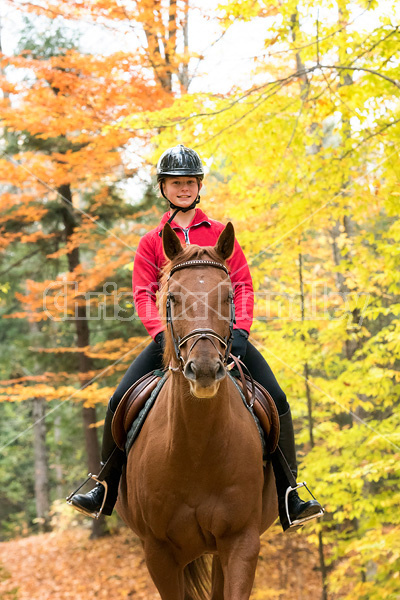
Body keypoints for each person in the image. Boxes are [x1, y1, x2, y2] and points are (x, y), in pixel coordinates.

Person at [69, 144, 323, 531]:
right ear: (164, 188)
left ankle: (290, 495)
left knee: (279, 398)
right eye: (176, 183)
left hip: (223, 338)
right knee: (120, 398)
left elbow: (243, 286)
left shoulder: (221, 233)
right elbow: (142, 293)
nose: (183, 189)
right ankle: (104, 487)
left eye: (189, 182)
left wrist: (239, 333)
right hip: (171, 339)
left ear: (199, 185)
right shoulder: (152, 241)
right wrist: (158, 335)